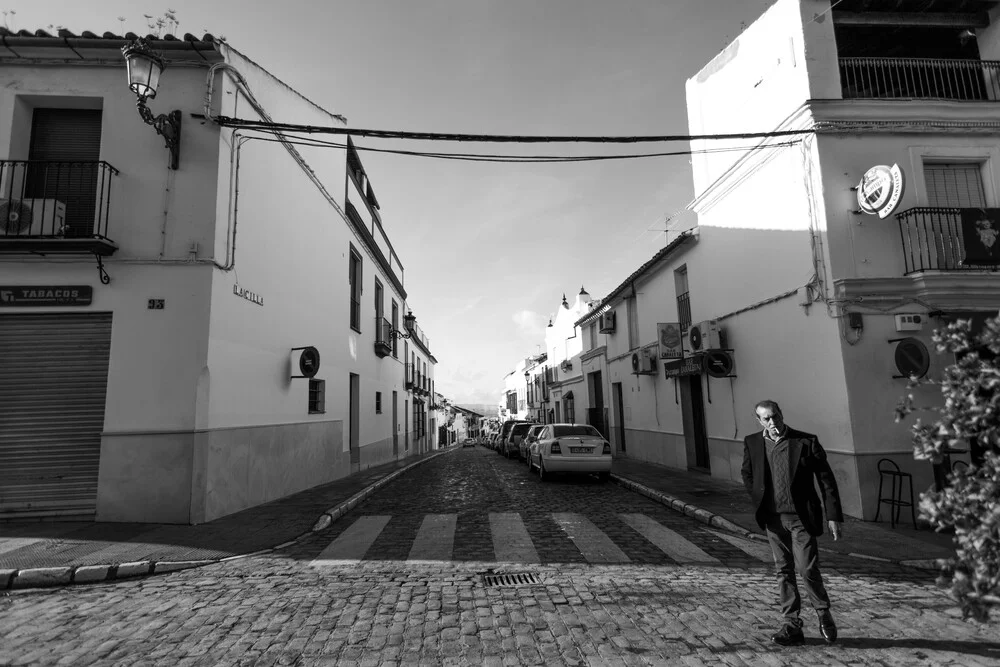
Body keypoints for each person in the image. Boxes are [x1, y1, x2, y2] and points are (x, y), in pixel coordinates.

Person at [741, 399, 844, 646]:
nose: (773, 422)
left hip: (801, 518)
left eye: (775, 416)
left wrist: (833, 516)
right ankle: (792, 625)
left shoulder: (805, 441)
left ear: (781, 414)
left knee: (807, 568)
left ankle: (823, 612)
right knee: (783, 571)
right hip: (773, 520)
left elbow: (826, 480)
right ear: (759, 420)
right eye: (766, 418)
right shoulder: (753, 442)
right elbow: (747, 473)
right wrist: (758, 496)